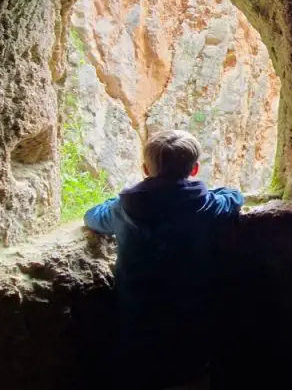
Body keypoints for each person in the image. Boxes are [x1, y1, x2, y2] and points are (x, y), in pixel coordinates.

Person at [84, 129, 244, 390]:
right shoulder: (207, 206)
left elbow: (92, 216)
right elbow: (234, 198)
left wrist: (116, 200)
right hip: (193, 327)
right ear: (195, 170)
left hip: (137, 326)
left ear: (145, 169)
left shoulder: (123, 208)